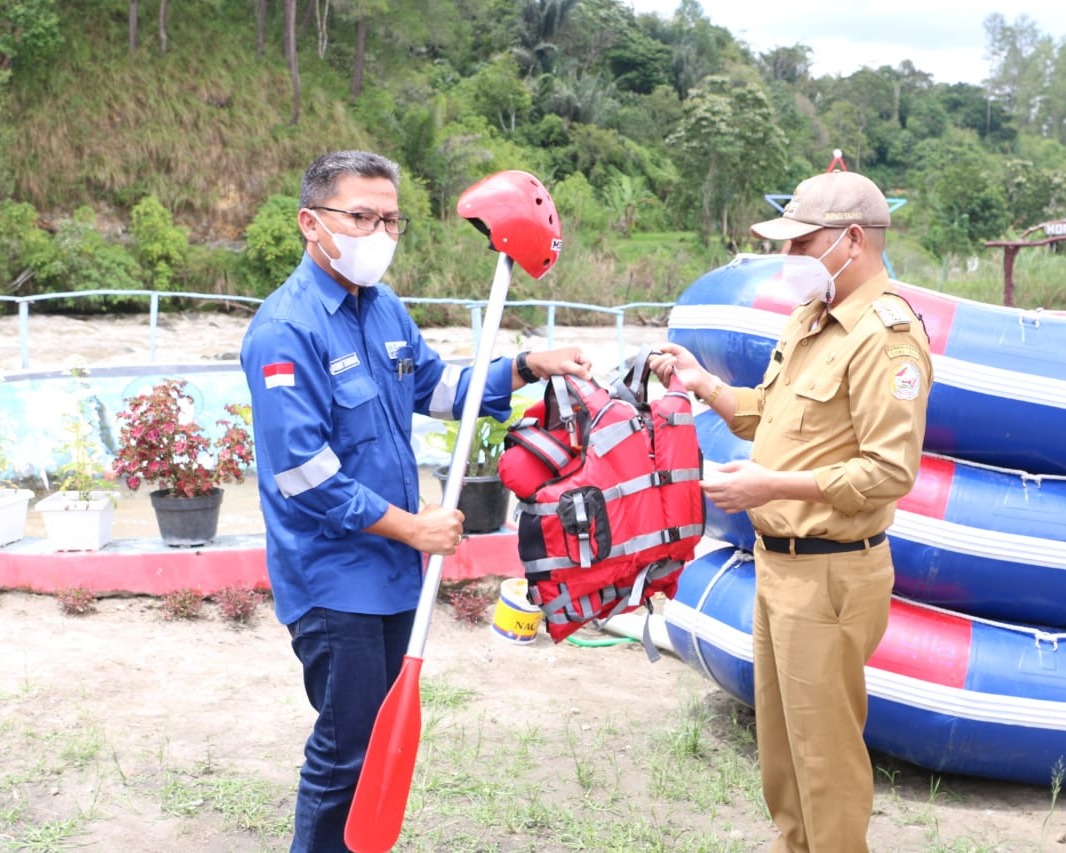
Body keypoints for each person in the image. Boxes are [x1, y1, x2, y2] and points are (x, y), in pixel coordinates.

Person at [239, 150, 590, 853]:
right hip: (335, 580)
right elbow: (304, 473)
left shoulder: (385, 309)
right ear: (312, 223)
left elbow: (437, 391)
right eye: (361, 216)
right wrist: (414, 528)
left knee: (375, 749)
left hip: (399, 574)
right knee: (345, 752)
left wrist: (524, 365)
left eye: (391, 220)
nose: (379, 233)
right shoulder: (286, 330)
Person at [650, 170, 932, 853]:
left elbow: (888, 471)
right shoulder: (812, 320)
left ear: (853, 240)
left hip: (832, 575)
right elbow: (772, 417)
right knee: (782, 749)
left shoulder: (885, 336)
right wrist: (706, 384)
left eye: (803, 243)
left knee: (824, 755)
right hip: (780, 569)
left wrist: (770, 486)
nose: (791, 259)